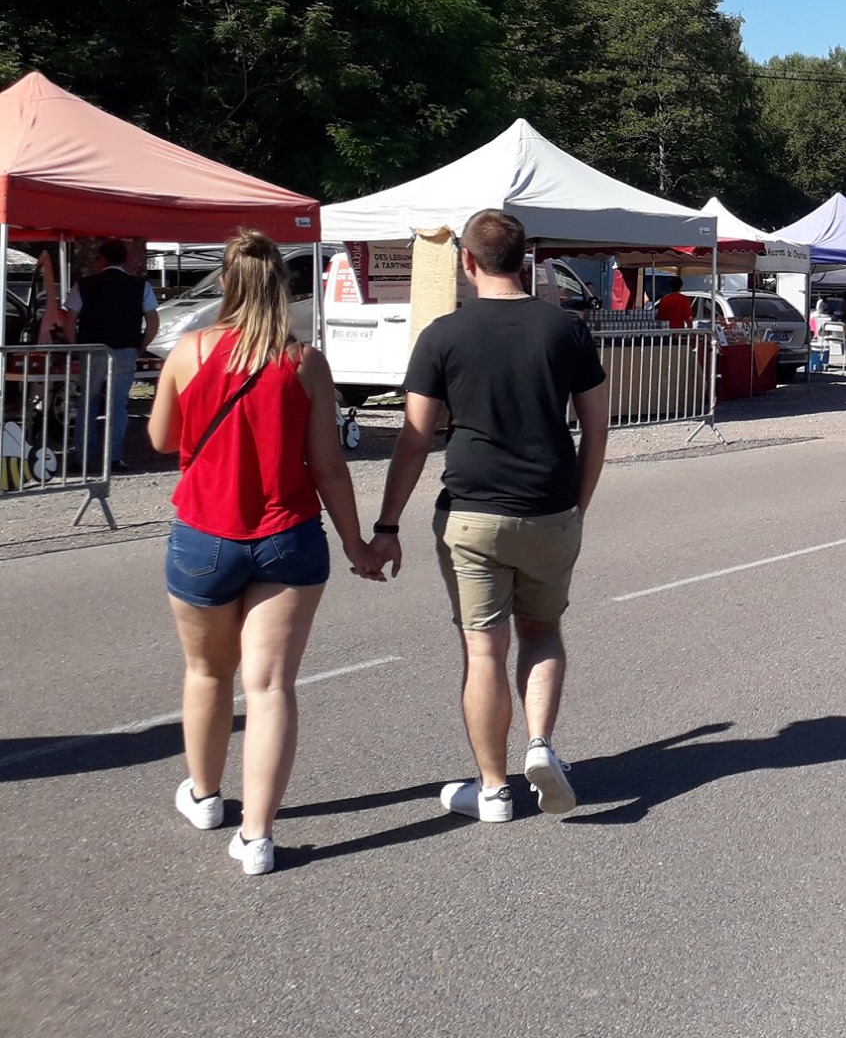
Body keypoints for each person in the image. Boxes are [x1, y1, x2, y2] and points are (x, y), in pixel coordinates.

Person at [147, 230, 380, 876]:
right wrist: (358, 543)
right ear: (282, 287)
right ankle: (257, 837)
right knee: (272, 684)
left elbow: (163, 437)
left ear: (224, 283)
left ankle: (203, 795)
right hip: (288, 537)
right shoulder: (305, 363)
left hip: (203, 534)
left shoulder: (188, 351)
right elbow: (329, 468)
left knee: (206, 673)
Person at [370, 208, 609, 825]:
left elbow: (415, 439)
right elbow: (596, 428)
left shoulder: (442, 335)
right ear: (525, 259)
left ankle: (494, 789)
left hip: (471, 511)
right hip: (549, 506)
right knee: (542, 631)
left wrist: (387, 525)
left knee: (483, 651)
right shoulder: (566, 330)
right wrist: (577, 503)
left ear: (466, 262)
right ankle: (539, 746)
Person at [64, 238, 159, 470]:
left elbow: (69, 321)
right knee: (119, 405)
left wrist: (76, 346)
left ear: (101, 259)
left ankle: (82, 458)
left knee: (88, 403)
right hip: (125, 350)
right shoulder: (141, 286)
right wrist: (140, 346)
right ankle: (114, 457)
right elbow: (153, 322)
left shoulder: (83, 286)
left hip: (92, 349)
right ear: (125, 260)